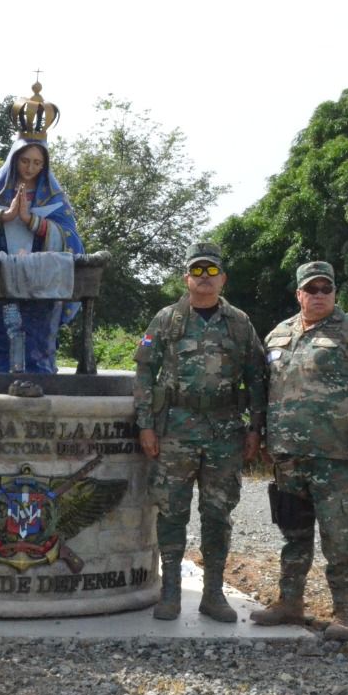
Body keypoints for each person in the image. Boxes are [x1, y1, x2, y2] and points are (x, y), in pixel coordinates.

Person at [251, 261, 348, 640]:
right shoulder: (278, 334)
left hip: (336, 456)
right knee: (293, 533)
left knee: (339, 537)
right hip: (288, 457)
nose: (318, 296)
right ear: (299, 294)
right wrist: (263, 437)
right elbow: (264, 391)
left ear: (334, 293)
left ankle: (345, 613)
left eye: (325, 289)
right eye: (311, 290)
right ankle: (289, 602)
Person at [133, 242, 266, 622]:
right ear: (186, 277)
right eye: (197, 271)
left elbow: (257, 378)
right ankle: (171, 591)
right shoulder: (167, 319)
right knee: (172, 510)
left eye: (212, 272)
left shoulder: (239, 323)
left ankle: (213, 594)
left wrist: (255, 428)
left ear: (222, 278)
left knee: (218, 512)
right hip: (175, 428)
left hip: (225, 432)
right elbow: (145, 373)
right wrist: (146, 424)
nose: (204, 279)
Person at [0, 136, 83, 373]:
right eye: (24, 161)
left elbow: (70, 238)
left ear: (45, 165)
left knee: (33, 334)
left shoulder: (54, 198)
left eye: (37, 163)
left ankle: (34, 371)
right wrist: (3, 216)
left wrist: (33, 221)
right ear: (13, 160)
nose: (30, 168)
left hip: (36, 282)